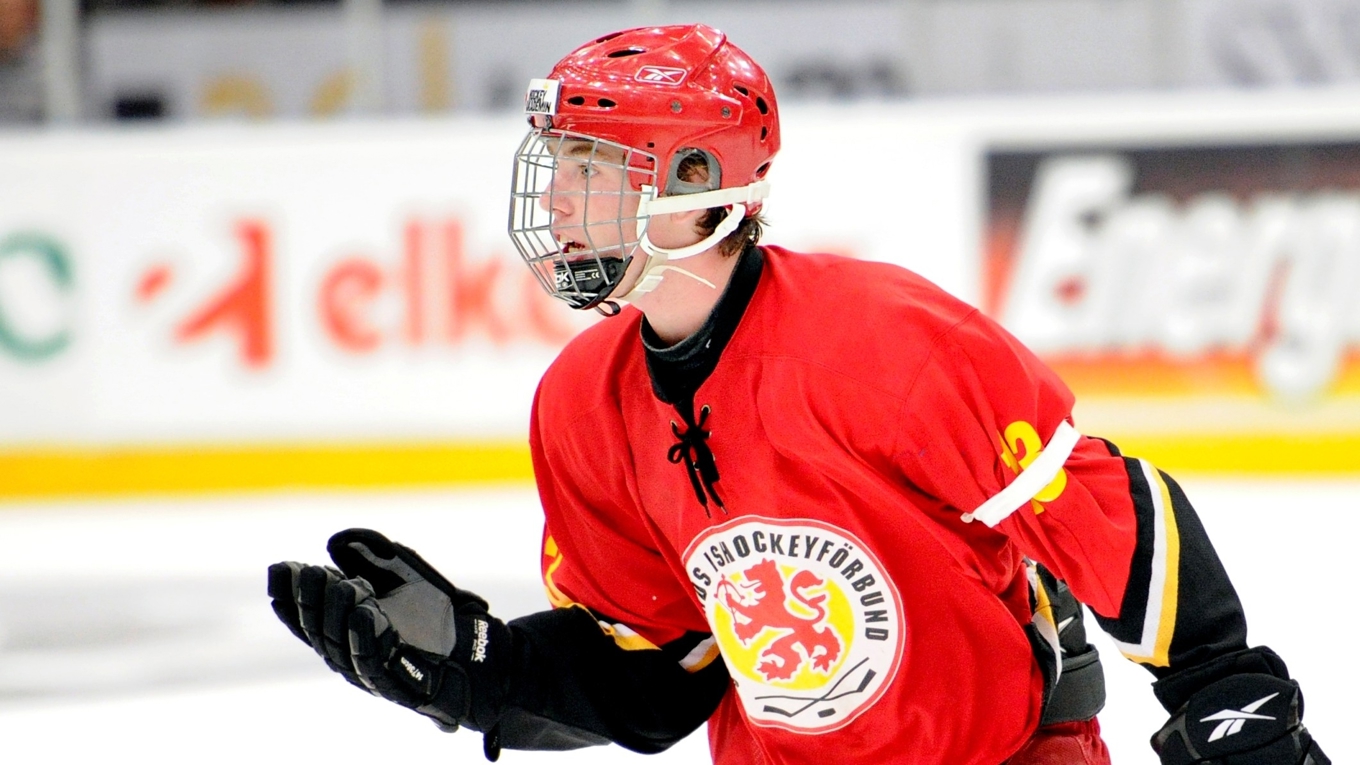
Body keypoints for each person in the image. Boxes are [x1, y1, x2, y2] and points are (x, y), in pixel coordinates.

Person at [269, 24, 1329, 765]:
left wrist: (1221, 688)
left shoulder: (885, 341)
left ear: (698, 183)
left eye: (594, 169)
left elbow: (1103, 512)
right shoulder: (580, 405)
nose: (561, 200)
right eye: (558, 167)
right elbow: (659, 673)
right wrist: (486, 672)